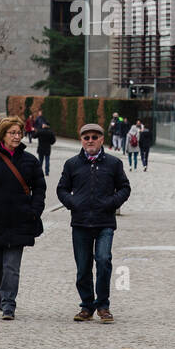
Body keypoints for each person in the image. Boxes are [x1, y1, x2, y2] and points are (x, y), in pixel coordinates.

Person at [0, 117, 46, 320]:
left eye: (19, 133)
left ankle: (8, 304)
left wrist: (34, 211)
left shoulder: (30, 161)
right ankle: (4, 294)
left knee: (11, 266)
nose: (16, 136)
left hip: (19, 220)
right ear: (2, 135)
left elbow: (40, 188)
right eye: (12, 132)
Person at [57, 123, 131, 323]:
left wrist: (111, 203)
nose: (90, 140)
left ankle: (103, 306)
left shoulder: (114, 164)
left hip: (104, 222)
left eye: (94, 137)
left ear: (101, 139)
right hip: (80, 223)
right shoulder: (72, 164)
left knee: (104, 260)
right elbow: (61, 189)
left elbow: (125, 187)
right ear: (81, 140)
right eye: (86, 137)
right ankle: (87, 306)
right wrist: (73, 203)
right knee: (83, 267)